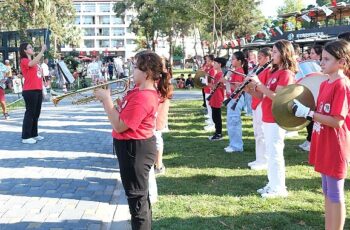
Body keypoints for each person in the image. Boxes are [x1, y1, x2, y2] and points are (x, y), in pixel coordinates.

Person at [94, 50, 172, 230]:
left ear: (147, 73)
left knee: (137, 203)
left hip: (135, 150)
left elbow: (119, 125)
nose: (132, 71)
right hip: (133, 147)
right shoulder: (138, 91)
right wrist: (107, 98)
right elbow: (121, 113)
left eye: (135, 67)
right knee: (140, 199)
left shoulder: (144, 97)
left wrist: (107, 100)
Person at [292, 39, 350, 230]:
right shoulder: (325, 83)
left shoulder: (341, 85)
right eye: (322, 58)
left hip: (335, 144)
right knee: (326, 191)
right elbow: (322, 112)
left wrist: (308, 113)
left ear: (342, 62)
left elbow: (336, 120)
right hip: (324, 141)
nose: (321, 63)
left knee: (335, 193)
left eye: (326, 59)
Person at [248, 40, 297, 198]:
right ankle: (272, 183)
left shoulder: (286, 74)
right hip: (267, 117)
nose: (272, 55)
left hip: (276, 118)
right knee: (270, 152)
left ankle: (279, 188)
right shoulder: (273, 72)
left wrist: (260, 85)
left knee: (275, 153)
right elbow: (262, 96)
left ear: (284, 54)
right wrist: (250, 88)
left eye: (275, 52)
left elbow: (278, 98)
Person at [246, 47, 272, 170]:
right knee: (257, 132)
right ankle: (259, 158)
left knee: (262, 132)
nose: (258, 61)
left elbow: (262, 90)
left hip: (262, 103)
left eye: (260, 58)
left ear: (267, 58)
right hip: (256, 103)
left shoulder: (268, 70)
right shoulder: (260, 70)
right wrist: (247, 88)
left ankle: (264, 160)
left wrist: (252, 85)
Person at [19, 43, 47, 144]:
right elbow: (31, 64)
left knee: (36, 114)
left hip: (37, 89)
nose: (32, 48)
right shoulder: (24, 60)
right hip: (29, 90)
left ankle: (34, 134)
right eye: (30, 47)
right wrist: (42, 51)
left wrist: (42, 89)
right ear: (25, 50)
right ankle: (26, 137)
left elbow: (39, 76)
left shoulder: (35, 62)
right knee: (30, 113)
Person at [299, 44, 323, 152]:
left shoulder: (322, 67)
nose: (310, 55)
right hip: (310, 96)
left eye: (313, 53)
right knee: (308, 117)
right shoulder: (311, 64)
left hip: (317, 98)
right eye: (310, 53)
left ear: (319, 56)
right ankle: (309, 139)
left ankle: (312, 141)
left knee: (313, 118)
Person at [224, 51, 248, 152]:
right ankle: (233, 144)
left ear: (239, 61)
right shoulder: (234, 70)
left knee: (234, 122)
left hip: (236, 99)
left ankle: (237, 146)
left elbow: (238, 87)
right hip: (232, 98)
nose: (231, 61)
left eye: (233, 59)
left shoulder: (239, 71)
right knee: (231, 122)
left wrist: (226, 83)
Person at [208, 57, 227, 141]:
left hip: (217, 96)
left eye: (215, 63)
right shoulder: (217, 74)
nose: (213, 64)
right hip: (215, 96)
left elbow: (216, 87)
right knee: (214, 115)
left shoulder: (220, 74)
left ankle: (218, 133)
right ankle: (217, 132)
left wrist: (207, 83)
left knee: (216, 116)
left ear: (219, 65)